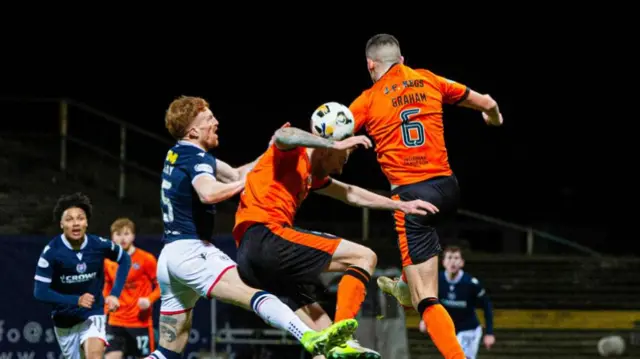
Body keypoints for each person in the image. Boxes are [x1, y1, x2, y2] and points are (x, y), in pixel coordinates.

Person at [148, 96, 357, 359]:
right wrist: (241, 187)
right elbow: (208, 193)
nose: (216, 122)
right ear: (193, 131)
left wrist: (269, 153)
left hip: (169, 258)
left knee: (168, 352)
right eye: (208, 118)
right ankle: (308, 335)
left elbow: (238, 174)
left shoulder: (178, 152)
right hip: (192, 253)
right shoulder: (196, 157)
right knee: (256, 294)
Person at [348, 34, 503, 359]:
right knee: (417, 264)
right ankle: (405, 279)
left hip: (412, 200)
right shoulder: (428, 79)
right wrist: (493, 118)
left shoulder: (368, 99)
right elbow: (487, 102)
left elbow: (335, 132)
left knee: (426, 299)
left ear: (370, 65)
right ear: (402, 60)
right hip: (448, 189)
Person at [232, 124, 439, 359]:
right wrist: (335, 142)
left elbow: (350, 192)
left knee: (323, 332)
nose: (340, 168)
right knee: (364, 256)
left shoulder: (310, 174)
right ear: (327, 150)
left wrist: (401, 205)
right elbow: (282, 135)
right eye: (343, 158)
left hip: (253, 258)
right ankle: (343, 333)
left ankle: (337, 342)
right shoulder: (293, 154)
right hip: (264, 236)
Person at [33, 193, 132, 359]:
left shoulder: (98, 245)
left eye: (80, 218)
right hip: (64, 320)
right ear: (61, 224)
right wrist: (76, 300)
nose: (76, 223)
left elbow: (125, 259)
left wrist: (114, 294)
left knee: (94, 356)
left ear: (86, 222)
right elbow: (40, 292)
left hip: (93, 312)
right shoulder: (52, 252)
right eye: (69, 219)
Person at [418, 246, 495, 359]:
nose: (453, 261)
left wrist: (489, 333)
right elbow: (429, 302)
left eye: (456, 258)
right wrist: (425, 319)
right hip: (449, 331)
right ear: (443, 262)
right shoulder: (437, 281)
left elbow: (487, 306)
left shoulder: (471, 283)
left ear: (462, 263)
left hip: (469, 330)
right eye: (449, 258)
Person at [103, 217, 159, 358]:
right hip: (115, 321)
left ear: (133, 236)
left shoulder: (146, 259)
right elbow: (107, 287)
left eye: (126, 234)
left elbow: (162, 286)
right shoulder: (108, 261)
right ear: (112, 237)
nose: (123, 238)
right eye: (118, 234)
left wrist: (149, 299)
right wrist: (105, 307)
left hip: (139, 322)